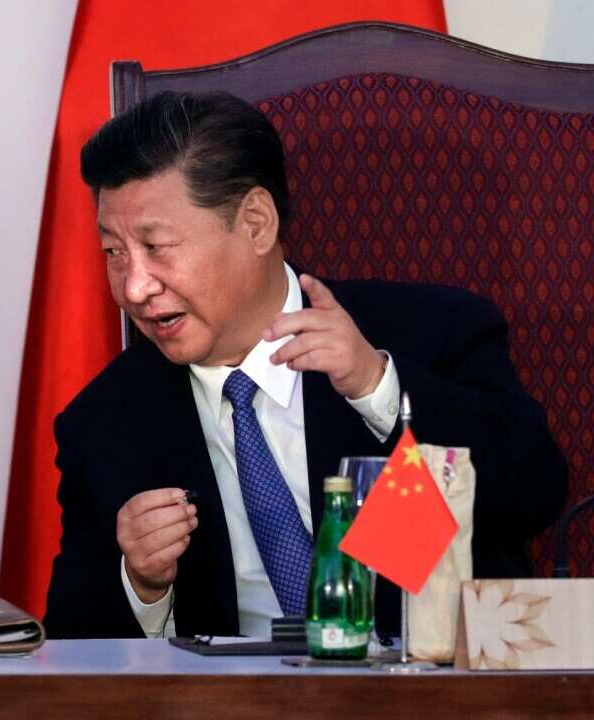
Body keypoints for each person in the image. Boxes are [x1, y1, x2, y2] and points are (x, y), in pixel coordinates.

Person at [43, 90, 568, 640]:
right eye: (113, 252)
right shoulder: (105, 422)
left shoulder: (430, 333)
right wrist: (142, 584)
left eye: (156, 247)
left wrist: (378, 388)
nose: (134, 287)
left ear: (256, 223)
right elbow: (71, 649)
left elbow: (534, 497)